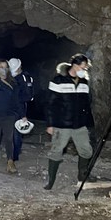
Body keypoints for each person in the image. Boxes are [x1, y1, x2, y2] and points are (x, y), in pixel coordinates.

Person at [43, 53, 95, 190]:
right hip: (62, 124)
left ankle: (82, 175)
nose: (84, 70)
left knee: (86, 151)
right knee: (56, 151)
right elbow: (50, 104)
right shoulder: (58, 80)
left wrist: (88, 123)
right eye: (83, 67)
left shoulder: (84, 83)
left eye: (86, 68)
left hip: (79, 124)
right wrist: (50, 124)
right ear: (75, 65)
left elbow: (87, 104)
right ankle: (50, 181)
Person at [8, 58, 35, 164]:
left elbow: (16, 99)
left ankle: (13, 156)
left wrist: (23, 115)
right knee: (17, 133)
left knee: (14, 134)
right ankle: (16, 153)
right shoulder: (25, 77)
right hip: (22, 107)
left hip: (16, 109)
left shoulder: (17, 81)